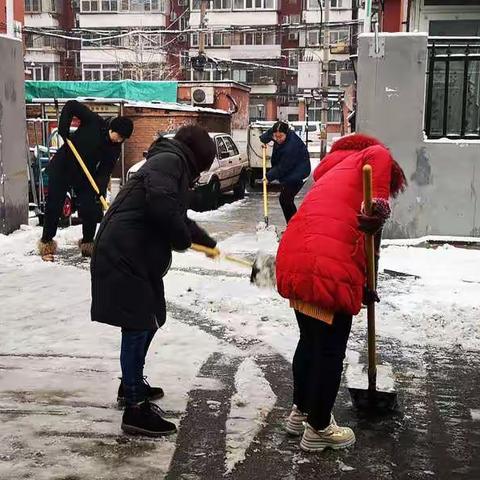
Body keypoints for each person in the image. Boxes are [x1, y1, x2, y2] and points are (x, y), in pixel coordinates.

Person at [275, 133, 407, 452]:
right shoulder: (374, 156)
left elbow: (356, 237)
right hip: (327, 263)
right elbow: (377, 160)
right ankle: (319, 428)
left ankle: (301, 411)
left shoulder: (332, 173)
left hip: (296, 255)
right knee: (330, 350)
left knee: (310, 341)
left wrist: (365, 285)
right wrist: (377, 204)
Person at [90, 125, 219, 437]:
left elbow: (176, 213)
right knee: (138, 323)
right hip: (122, 253)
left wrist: (206, 242)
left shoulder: (170, 161)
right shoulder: (169, 162)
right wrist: (182, 240)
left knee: (151, 317)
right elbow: (162, 208)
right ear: (198, 158)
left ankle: (130, 384)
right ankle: (135, 407)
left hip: (133, 254)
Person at [38, 100, 134, 258]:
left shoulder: (114, 148)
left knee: (91, 208)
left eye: (123, 139)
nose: (120, 140)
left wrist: (99, 190)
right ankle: (47, 242)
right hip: (64, 166)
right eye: (119, 136)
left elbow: (104, 171)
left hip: (84, 174)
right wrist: (64, 128)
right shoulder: (94, 121)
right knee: (54, 205)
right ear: (112, 129)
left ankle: (88, 243)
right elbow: (71, 105)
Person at [260, 121, 311, 223]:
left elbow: (283, 167)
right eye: (276, 136)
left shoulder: (291, 146)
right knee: (286, 200)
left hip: (298, 173)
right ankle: (294, 226)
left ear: (286, 133)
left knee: (285, 199)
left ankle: (294, 226)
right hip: (290, 171)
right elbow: (265, 136)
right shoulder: (278, 133)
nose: (278, 139)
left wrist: (268, 177)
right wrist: (266, 138)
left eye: (281, 137)